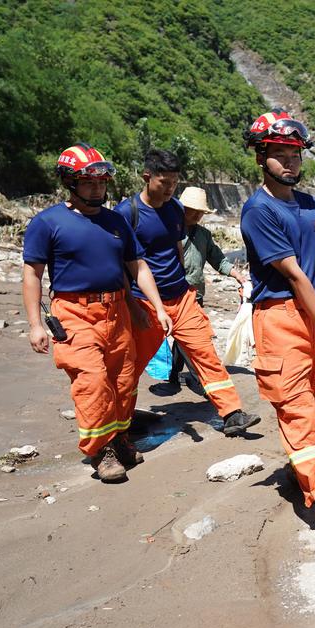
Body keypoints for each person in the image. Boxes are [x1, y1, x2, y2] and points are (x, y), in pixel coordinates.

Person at [22, 143, 172, 482]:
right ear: (70, 183)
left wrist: (157, 306)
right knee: (92, 382)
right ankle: (99, 451)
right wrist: (35, 324)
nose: (97, 189)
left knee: (122, 381)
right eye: (89, 183)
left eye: (102, 183)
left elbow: (137, 265)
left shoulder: (116, 221)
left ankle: (119, 438)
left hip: (117, 311)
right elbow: (32, 274)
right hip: (74, 313)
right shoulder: (48, 223)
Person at [239, 109, 315, 539]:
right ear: (261, 158)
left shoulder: (311, 205)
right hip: (281, 318)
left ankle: (301, 468)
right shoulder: (258, 211)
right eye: (280, 154)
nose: (290, 162)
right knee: (298, 409)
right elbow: (294, 274)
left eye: (295, 154)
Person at [115, 150, 260, 440]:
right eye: (164, 182)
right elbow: (120, 263)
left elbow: (176, 247)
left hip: (182, 298)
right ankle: (120, 422)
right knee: (132, 364)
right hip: (142, 301)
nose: (169, 189)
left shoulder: (174, 210)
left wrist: (183, 280)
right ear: (147, 177)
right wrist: (131, 306)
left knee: (205, 354)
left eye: (174, 183)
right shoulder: (126, 213)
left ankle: (232, 413)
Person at [167, 186, 247, 388]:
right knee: (190, 337)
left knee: (185, 336)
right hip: (172, 294)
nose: (196, 215)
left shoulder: (204, 235)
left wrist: (238, 275)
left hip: (195, 294)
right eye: (191, 210)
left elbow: (218, 260)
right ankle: (199, 378)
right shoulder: (169, 231)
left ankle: (175, 375)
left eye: (199, 212)